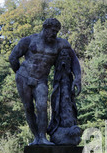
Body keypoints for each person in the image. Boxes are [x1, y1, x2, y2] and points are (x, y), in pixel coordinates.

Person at [9, 18, 81, 146]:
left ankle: (42, 138)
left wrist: (78, 78)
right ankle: (36, 137)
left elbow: (74, 59)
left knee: (42, 106)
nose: (54, 34)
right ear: (45, 28)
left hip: (41, 80)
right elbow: (13, 57)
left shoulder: (60, 44)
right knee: (28, 108)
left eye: (56, 31)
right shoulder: (29, 40)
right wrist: (21, 74)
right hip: (24, 77)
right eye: (52, 30)